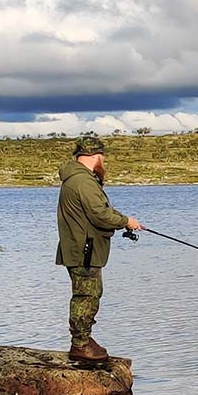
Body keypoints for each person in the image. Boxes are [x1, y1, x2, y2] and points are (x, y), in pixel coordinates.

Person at [55, 135, 141, 363]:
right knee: (87, 296)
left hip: (81, 247)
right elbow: (100, 214)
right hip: (84, 249)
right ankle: (80, 345)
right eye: (102, 156)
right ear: (95, 156)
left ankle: (83, 340)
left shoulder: (79, 179)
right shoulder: (83, 181)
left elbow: (96, 211)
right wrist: (126, 221)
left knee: (90, 294)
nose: (103, 161)